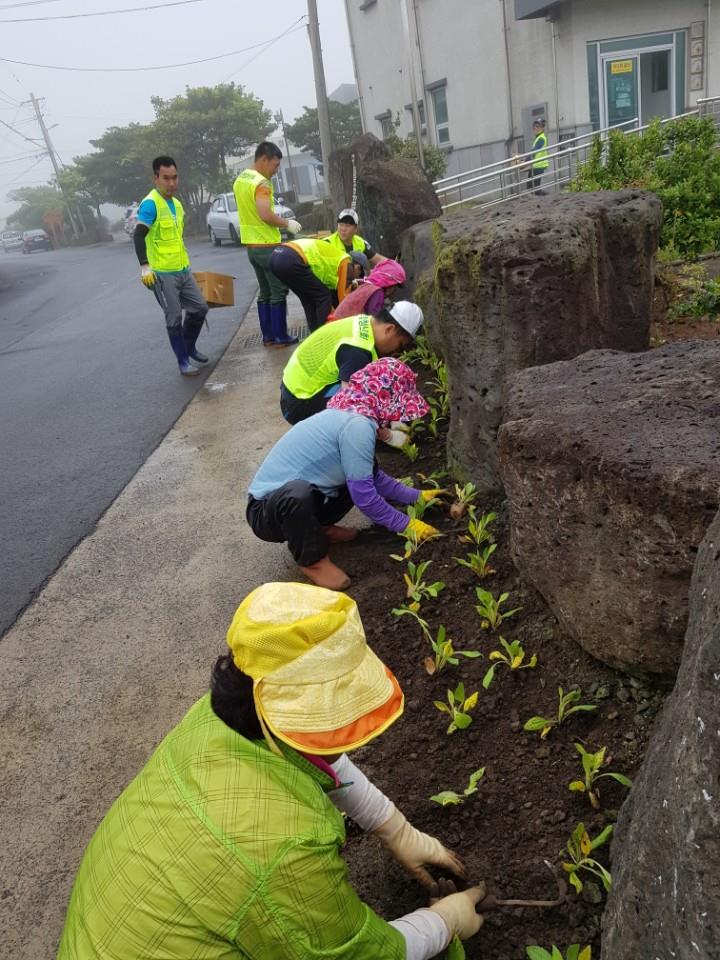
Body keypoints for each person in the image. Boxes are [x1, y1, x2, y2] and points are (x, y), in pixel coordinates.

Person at [57, 582, 486, 959]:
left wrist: (394, 827)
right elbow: (358, 954)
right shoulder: (287, 846)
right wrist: (443, 922)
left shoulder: (214, 721)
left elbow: (311, 754)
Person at [248, 358, 442, 590]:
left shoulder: (353, 413)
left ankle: (319, 530)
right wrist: (407, 525)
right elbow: (366, 499)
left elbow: (374, 478)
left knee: (355, 478)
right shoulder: (357, 426)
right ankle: (313, 561)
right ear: (388, 400)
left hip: (304, 498)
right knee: (297, 494)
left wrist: (418, 497)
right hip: (267, 510)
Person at [280, 300, 423, 425]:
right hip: (299, 403)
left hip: (293, 387)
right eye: (400, 345)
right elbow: (349, 408)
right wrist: (387, 434)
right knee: (366, 408)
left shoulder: (364, 322)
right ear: (389, 329)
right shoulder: (358, 351)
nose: (397, 352)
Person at [133, 155, 209, 377]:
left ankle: (189, 346)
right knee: (174, 316)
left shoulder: (176, 204)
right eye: (166, 178)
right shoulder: (150, 204)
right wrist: (145, 266)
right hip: (161, 274)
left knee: (200, 308)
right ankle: (183, 360)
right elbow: (138, 236)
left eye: (175, 178)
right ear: (156, 178)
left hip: (182, 269)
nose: (172, 183)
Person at [234, 141, 302, 347]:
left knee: (265, 291)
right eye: (275, 165)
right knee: (278, 291)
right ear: (264, 159)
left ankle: (268, 336)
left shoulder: (241, 179)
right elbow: (264, 214)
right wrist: (287, 223)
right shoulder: (261, 183)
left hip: (252, 248)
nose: (276, 170)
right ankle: (281, 336)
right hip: (267, 245)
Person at [269, 236, 358, 332]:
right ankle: (322, 335)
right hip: (291, 258)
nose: (355, 277)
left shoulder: (334, 258)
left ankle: (314, 335)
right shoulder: (346, 263)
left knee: (308, 299)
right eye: (359, 272)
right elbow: (344, 301)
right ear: (357, 266)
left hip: (275, 257)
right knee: (323, 296)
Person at [331, 258, 407, 321]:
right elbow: (373, 320)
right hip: (343, 329)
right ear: (390, 284)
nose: (394, 291)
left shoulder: (366, 286)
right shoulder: (377, 292)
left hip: (338, 323)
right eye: (395, 286)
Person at [527, 118, 549, 195]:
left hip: (538, 166)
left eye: (538, 126)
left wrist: (526, 160)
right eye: (535, 126)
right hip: (535, 165)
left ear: (542, 128)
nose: (536, 128)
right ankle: (546, 197)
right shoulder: (538, 138)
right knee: (532, 187)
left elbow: (535, 151)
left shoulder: (541, 138)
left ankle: (547, 197)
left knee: (533, 188)